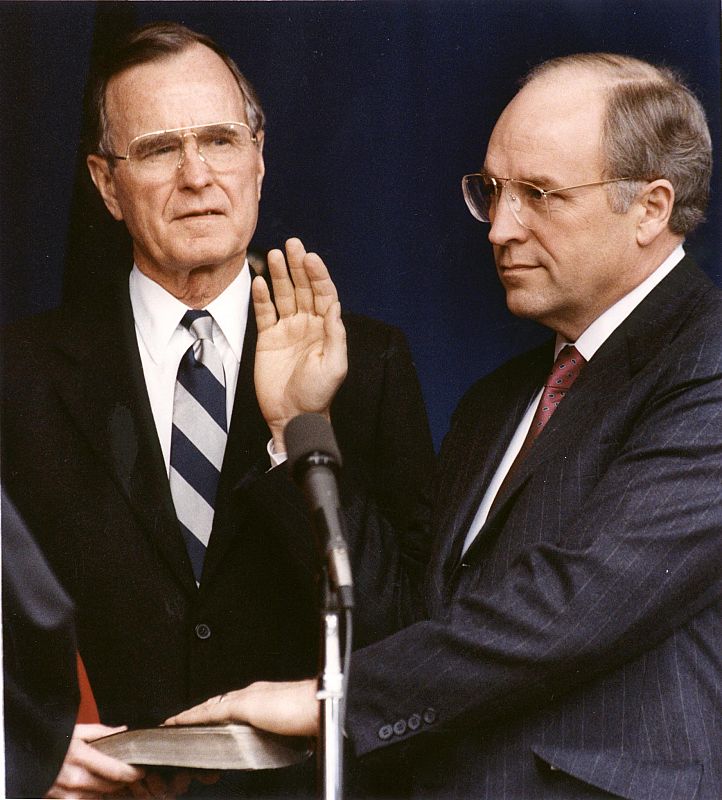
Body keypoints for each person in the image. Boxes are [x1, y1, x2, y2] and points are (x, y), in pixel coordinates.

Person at [168, 53, 722, 800]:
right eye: (492, 191)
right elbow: (410, 628)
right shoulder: (497, 403)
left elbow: (572, 605)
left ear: (652, 208)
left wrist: (331, 700)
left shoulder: (707, 362)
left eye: (539, 194)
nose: (500, 228)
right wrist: (300, 424)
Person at [1, 21, 434, 797]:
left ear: (259, 160)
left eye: (220, 141)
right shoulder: (16, 374)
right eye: (161, 149)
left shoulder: (369, 363)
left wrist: (294, 430)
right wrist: (16, 746)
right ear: (106, 183)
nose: (197, 175)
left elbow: (405, 630)